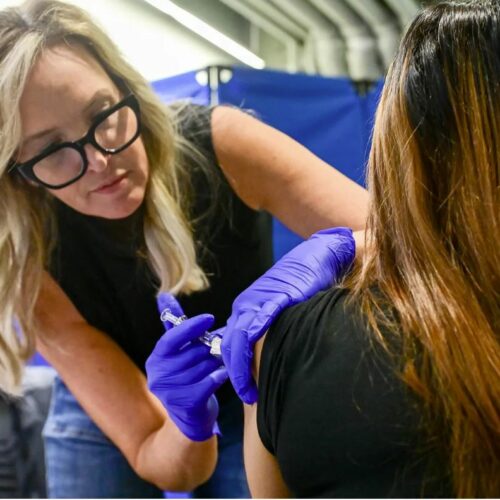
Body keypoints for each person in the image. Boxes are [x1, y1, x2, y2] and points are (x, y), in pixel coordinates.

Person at [0, 0, 368, 497]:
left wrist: (333, 257)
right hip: (114, 417)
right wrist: (187, 422)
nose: (101, 158)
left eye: (102, 114)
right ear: (20, 175)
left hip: (250, 391)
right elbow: (164, 459)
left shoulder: (220, 143)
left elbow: (411, 244)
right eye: (52, 149)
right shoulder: (29, 258)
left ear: (125, 85)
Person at [154, 0, 499, 497]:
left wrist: (351, 249)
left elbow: (415, 227)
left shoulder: (282, 344)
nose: (98, 161)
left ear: (393, 144)